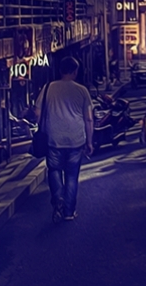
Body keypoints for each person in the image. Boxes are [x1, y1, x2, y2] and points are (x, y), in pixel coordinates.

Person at [34, 56, 94, 222]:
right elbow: (89, 118)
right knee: (72, 176)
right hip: (76, 139)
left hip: (54, 138)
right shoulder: (82, 91)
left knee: (54, 170)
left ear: (60, 71)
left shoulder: (48, 88)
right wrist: (89, 141)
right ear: (75, 72)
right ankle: (69, 212)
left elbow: (37, 114)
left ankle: (58, 198)